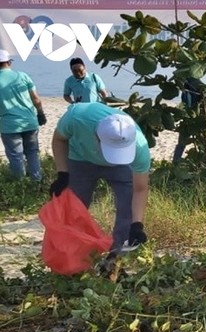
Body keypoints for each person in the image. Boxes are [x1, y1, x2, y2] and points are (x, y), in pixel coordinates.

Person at [49, 102, 150, 249]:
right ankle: (73, 253)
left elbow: (140, 189)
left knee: (127, 210)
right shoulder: (77, 117)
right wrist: (63, 174)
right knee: (74, 208)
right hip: (80, 159)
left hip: (122, 167)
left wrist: (137, 224)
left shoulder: (139, 147)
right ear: (96, 137)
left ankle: (118, 256)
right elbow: (59, 139)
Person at [0, 49, 46, 181]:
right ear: (9, 62)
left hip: (9, 125)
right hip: (29, 122)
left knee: (15, 156)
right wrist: (41, 113)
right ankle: (36, 181)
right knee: (32, 153)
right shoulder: (22, 76)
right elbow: (36, 99)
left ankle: (20, 185)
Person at [173, 77, 204, 163]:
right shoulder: (186, 87)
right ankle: (175, 162)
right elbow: (184, 103)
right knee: (181, 143)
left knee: (201, 143)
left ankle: (202, 163)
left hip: (197, 119)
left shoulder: (194, 84)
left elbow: (202, 100)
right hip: (187, 118)